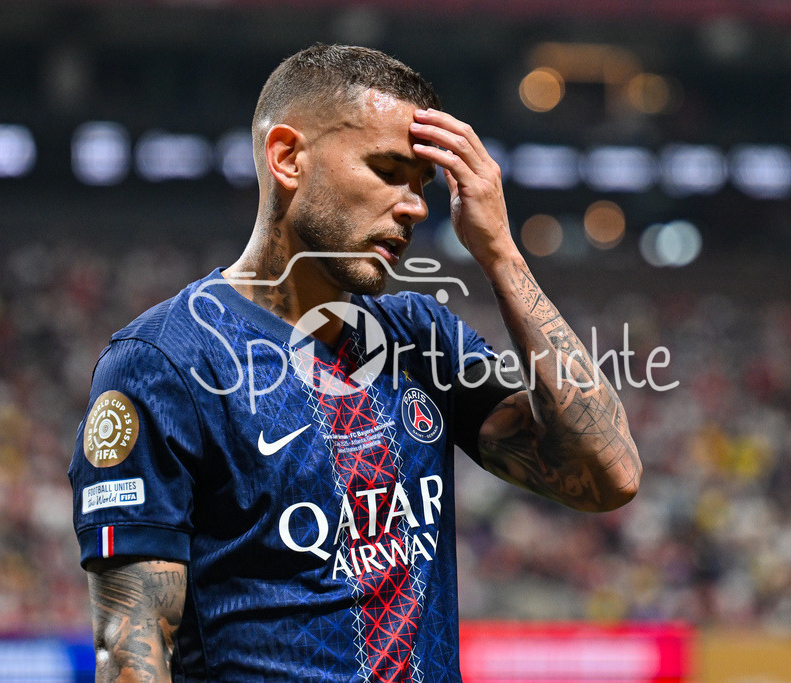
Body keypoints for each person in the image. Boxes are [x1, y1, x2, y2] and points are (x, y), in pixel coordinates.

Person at [69, 43, 640, 682]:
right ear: (287, 158)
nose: (417, 205)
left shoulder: (421, 338)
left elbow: (609, 474)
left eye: (423, 183)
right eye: (388, 169)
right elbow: (130, 653)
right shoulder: (163, 364)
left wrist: (502, 252)